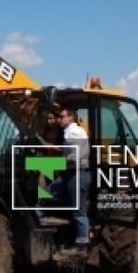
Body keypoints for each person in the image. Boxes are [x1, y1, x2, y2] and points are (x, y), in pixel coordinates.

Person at [51, 106, 92, 259]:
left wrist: (58, 155)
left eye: (62, 117)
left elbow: (74, 156)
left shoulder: (74, 133)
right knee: (49, 193)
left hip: (77, 173)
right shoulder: (70, 132)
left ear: (70, 118)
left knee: (79, 211)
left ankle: (82, 244)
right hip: (71, 173)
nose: (59, 120)